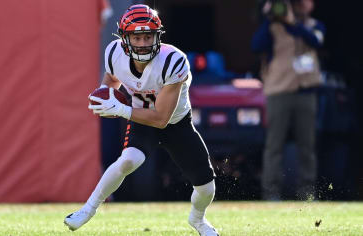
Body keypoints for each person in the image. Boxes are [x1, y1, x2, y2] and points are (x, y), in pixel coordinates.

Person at [64, 4, 219, 236]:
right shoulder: (114, 52)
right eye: (137, 37)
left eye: (148, 36)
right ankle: (88, 209)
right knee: (128, 160)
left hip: (175, 123)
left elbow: (161, 119)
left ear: (157, 37)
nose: (144, 43)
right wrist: (104, 95)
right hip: (140, 119)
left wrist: (120, 109)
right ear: (125, 39)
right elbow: (112, 78)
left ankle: (198, 219)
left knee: (207, 188)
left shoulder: (173, 61)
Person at [251, 0, 325, 200]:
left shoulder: (315, 26)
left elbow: (316, 41)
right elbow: (256, 45)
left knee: (307, 145)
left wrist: (293, 23)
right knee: (274, 145)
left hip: (306, 92)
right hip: (278, 91)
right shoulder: (272, 27)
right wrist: (268, 19)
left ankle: (307, 192)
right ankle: (271, 193)